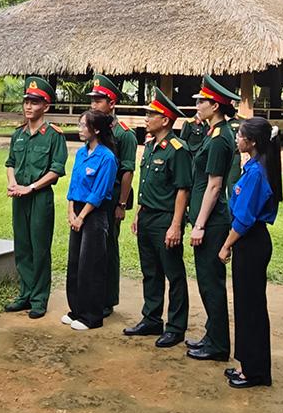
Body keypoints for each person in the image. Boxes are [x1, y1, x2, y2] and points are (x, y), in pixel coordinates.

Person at [124, 89, 193, 348]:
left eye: (152, 114)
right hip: (147, 218)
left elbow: (182, 190)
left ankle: (176, 327)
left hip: (166, 219)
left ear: (165, 120)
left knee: (173, 274)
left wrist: (176, 225)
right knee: (150, 272)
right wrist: (139, 214)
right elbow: (147, 185)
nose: (146, 117)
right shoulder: (151, 146)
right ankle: (151, 318)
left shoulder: (178, 149)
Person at [218, 116, 281, 389]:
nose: (237, 138)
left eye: (240, 135)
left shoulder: (256, 173)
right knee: (245, 306)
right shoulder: (254, 166)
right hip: (249, 242)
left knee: (251, 308)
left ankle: (254, 372)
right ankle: (248, 365)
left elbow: (244, 219)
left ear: (252, 141)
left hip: (250, 242)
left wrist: (226, 244)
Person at [185, 76, 239, 363]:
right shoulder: (213, 132)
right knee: (208, 282)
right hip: (208, 218)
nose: (197, 105)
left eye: (201, 101)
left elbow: (215, 185)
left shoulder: (219, 139)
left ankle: (218, 345)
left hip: (213, 221)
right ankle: (211, 335)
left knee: (211, 283)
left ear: (215, 105)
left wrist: (200, 224)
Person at [4, 77, 68, 317]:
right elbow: (10, 162)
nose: (28, 106)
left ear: (46, 106)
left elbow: (56, 170)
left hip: (39, 198)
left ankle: (39, 298)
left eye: (34, 102)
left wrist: (30, 188)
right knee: (22, 247)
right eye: (26, 101)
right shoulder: (17, 135)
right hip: (19, 197)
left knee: (40, 248)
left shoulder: (53, 135)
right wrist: (12, 183)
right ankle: (25, 294)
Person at [87, 74, 138, 317]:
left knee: (108, 246)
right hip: (92, 197)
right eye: (93, 100)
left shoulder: (124, 135)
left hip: (112, 197)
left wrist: (122, 204)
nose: (94, 104)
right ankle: (92, 293)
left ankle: (108, 298)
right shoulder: (93, 131)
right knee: (92, 246)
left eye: (99, 100)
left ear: (112, 104)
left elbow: (127, 172)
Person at [63, 110, 119, 330]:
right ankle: (76, 309)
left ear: (96, 129)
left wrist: (82, 216)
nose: (79, 129)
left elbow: (99, 192)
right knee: (75, 262)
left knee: (91, 264)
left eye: (83, 125)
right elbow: (74, 185)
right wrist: (70, 212)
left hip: (94, 213)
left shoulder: (107, 157)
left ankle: (92, 315)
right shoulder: (80, 153)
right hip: (77, 209)